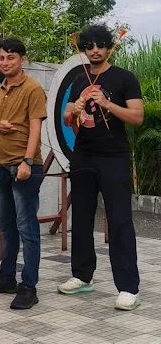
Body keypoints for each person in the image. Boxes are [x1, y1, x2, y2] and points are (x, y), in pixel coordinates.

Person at [57, 24, 144, 311]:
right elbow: (67, 116)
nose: (95, 50)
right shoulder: (78, 79)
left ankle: (128, 287)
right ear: (83, 49)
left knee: (119, 219)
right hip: (83, 155)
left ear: (108, 47)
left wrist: (106, 103)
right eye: (89, 46)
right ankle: (82, 275)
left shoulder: (124, 77)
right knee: (81, 216)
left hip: (114, 156)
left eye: (100, 45)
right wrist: (74, 109)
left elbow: (137, 117)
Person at [0, 37, 47, 310]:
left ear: (22, 59)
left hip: (24, 167)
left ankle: (29, 286)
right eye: (1, 58)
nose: (5, 63)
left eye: (11, 57)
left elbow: (36, 128)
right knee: (6, 226)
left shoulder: (33, 88)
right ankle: (7, 278)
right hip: (1, 166)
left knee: (27, 228)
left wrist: (28, 161)